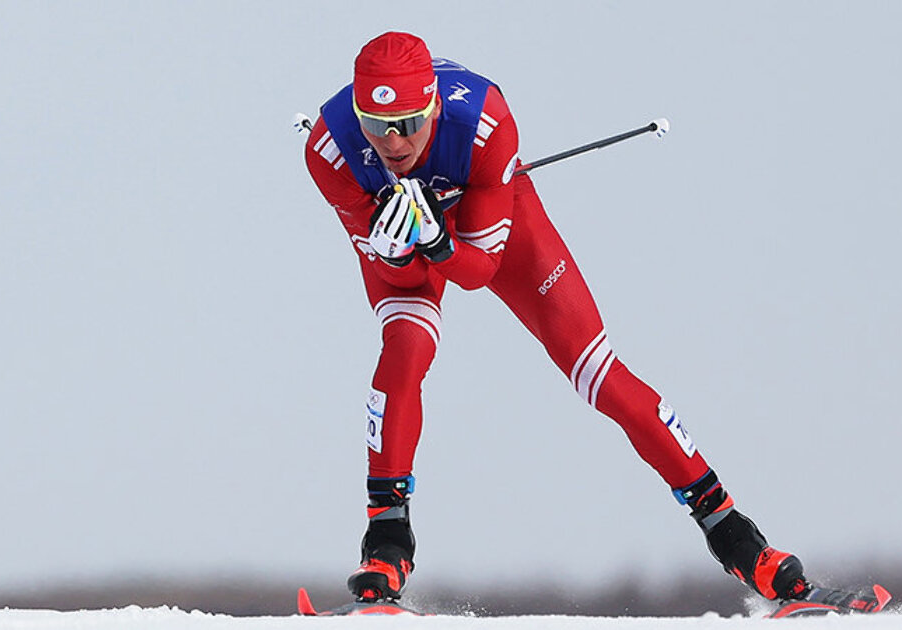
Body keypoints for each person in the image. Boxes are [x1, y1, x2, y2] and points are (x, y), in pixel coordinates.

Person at [302, 31, 809, 604]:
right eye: (377, 125)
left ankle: (740, 541)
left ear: (435, 105)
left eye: (410, 123)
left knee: (598, 373)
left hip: (486, 222)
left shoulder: (483, 119)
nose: (393, 143)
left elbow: (478, 269)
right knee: (405, 349)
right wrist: (396, 250)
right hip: (408, 240)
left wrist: (439, 242)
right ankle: (385, 546)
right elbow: (397, 281)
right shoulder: (331, 147)